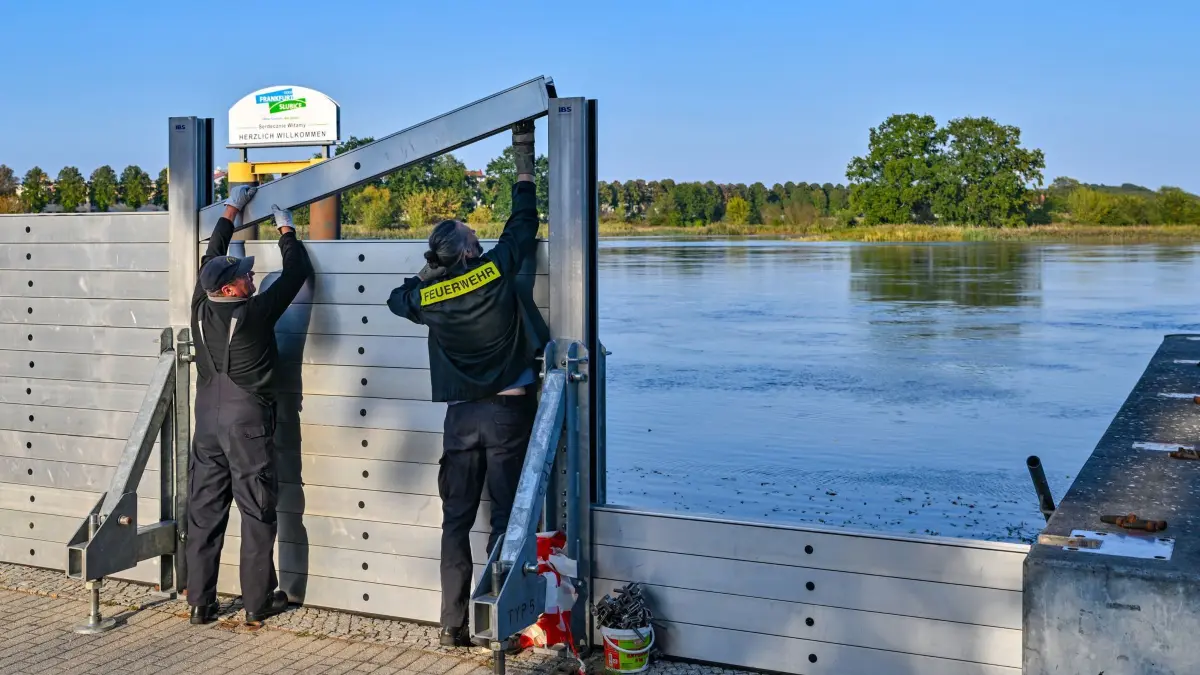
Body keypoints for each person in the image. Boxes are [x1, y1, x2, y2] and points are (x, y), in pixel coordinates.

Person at [387, 121, 548, 647]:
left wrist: (430, 273)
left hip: (460, 421)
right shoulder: (496, 270)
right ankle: (503, 621)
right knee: (507, 520)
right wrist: (523, 165)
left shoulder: (429, 299)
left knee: (455, 522)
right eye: (475, 242)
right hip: (508, 413)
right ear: (472, 252)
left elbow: (398, 298)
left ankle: (452, 625)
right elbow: (523, 223)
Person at [186, 186, 313, 626]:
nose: (251, 277)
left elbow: (212, 254)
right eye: (244, 275)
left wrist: (231, 209)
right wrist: (286, 230)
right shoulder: (256, 313)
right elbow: (297, 272)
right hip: (247, 425)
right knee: (257, 511)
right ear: (230, 288)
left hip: (207, 421)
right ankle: (258, 603)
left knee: (205, 511)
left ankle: (200, 604)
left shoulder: (200, 306)